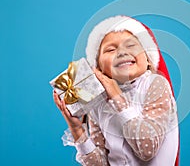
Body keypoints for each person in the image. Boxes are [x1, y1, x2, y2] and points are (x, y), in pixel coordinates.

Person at [53, 15, 179, 166]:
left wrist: (117, 98)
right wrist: (77, 130)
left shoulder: (155, 84)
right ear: (98, 68)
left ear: (148, 59)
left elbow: (148, 150)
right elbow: (101, 163)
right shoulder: (98, 103)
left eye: (131, 45)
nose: (122, 52)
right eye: (111, 49)